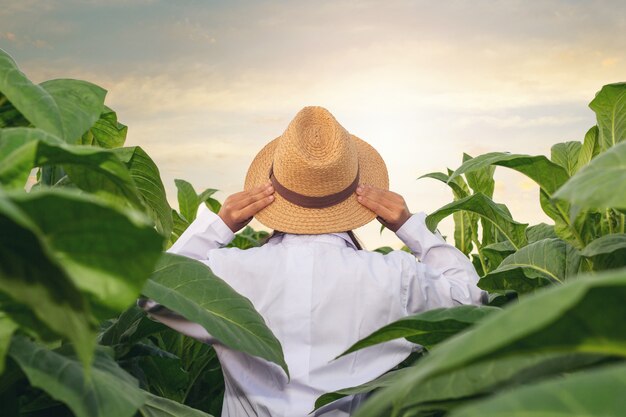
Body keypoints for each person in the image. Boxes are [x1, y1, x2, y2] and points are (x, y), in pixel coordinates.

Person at [139, 106, 486, 417]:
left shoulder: (229, 273)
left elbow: (155, 291)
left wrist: (221, 223)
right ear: (360, 195)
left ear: (270, 193)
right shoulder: (397, 276)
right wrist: (409, 225)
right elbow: (471, 302)